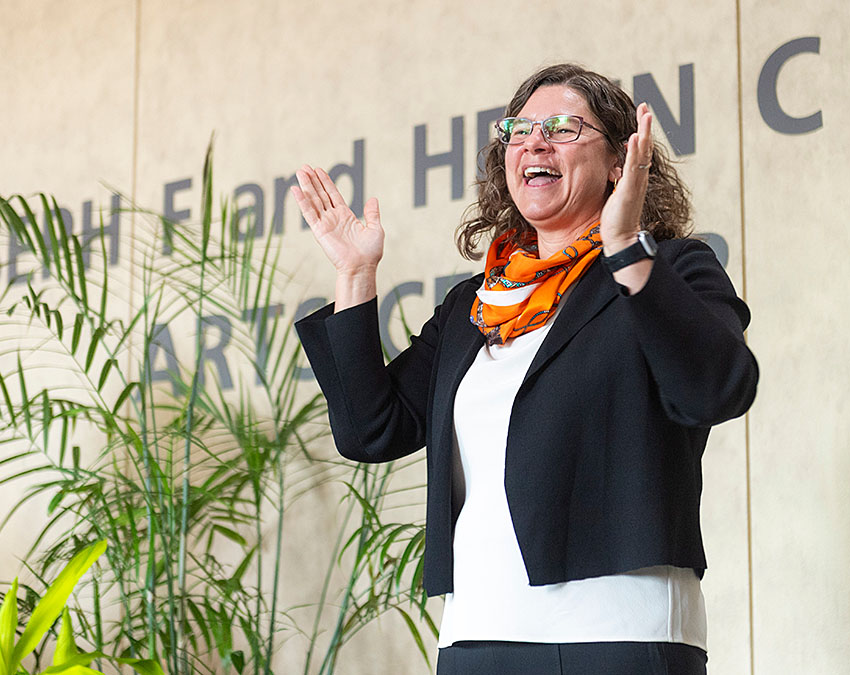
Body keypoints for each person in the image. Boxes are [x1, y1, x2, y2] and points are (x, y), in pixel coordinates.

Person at [292, 63, 757, 675]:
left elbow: (717, 389)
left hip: (617, 630)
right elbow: (370, 430)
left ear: (619, 162)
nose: (535, 142)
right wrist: (355, 274)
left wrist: (626, 253)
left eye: (564, 128)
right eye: (520, 130)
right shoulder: (474, 304)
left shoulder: (671, 269)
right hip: (480, 631)